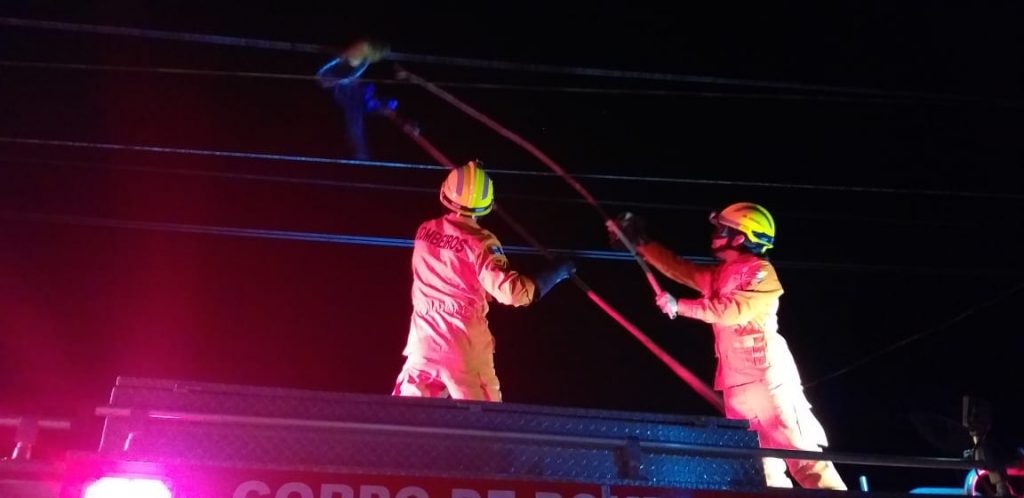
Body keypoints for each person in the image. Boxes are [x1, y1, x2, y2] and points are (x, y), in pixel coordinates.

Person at [609, 202, 847, 490]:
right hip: (737, 385)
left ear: (741, 237)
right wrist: (640, 243)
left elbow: (732, 310)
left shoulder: (761, 272)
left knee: (804, 459)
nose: (714, 234)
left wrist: (680, 305)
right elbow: (679, 269)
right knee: (758, 467)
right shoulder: (722, 274)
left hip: (769, 381)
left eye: (722, 229)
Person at [393, 161, 575, 401]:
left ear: (444, 193)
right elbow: (512, 293)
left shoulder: (424, 231)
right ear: (487, 205)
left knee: (406, 420)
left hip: (423, 342)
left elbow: (451, 274)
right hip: (462, 344)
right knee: (484, 425)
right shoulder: (481, 241)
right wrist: (557, 273)